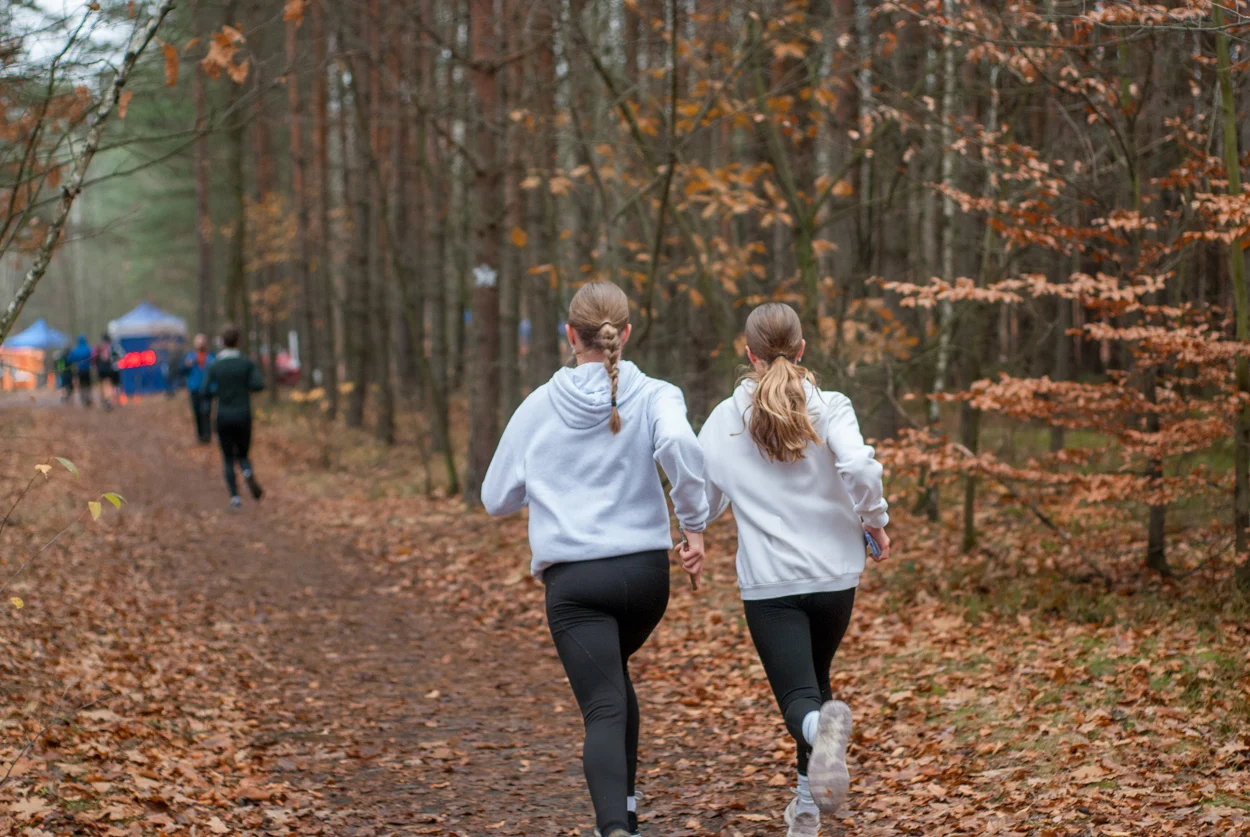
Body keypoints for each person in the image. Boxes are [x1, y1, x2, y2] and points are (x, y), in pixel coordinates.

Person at [482, 281, 708, 837]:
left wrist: (548, 480)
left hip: (577, 585)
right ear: (624, 333)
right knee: (613, 684)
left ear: (569, 335)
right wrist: (693, 524)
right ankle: (626, 813)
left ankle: (614, 829)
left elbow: (495, 499)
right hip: (646, 579)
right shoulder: (657, 394)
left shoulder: (538, 406)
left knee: (604, 704)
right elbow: (680, 446)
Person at [697, 303, 890, 837]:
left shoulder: (724, 419)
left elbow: (703, 501)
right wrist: (875, 520)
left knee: (800, 700)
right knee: (815, 683)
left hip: (771, 584)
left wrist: (695, 527)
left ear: (749, 354)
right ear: (802, 349)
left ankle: (816, 745)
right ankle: (806, 810)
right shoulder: (831, 406)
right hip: (835, 579)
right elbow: (859, 466)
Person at [202, 325, 264, 510]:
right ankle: (247, 471)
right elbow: (258, 385)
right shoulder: (246, 363)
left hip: (223, 416)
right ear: (238, 341)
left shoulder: (215, 365)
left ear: (222, 342)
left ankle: (235, 499)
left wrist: (219, 392)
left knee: (228, 458)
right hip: (243, 415)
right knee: (243, 454)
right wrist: (243, 387)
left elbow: (204, 391)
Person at [183, 334, 216, 443]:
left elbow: (215, 372)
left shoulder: (211, 356)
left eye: (202, 341)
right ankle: (200, 435)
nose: (200, 343)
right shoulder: (190, 357)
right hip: (194, 390)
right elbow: (182, 371)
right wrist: (187, 365)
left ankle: (207, 435)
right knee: (197, 413)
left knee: (206, 412)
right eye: (199, 341)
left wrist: (215, 388)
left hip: (207, 390)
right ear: (195, 343)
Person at [93, 333, 120, 409]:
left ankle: (105, 400)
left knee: (103, 385)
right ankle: (109, 400)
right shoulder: (111, 347)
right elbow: (118, 356)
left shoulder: (98, 347)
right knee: (109, 385)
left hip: (101, 369)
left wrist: (95, 365)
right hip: (108, 369)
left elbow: (94, 358)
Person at [66, 335, 93, 407]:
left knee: (81, 385)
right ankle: (88, 397)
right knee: (88, 385)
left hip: (79, 370)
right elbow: (93, 358)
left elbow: (69, 359)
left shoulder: (75, 350)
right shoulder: (88, 348)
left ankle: (83, 398)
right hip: (87, 370)